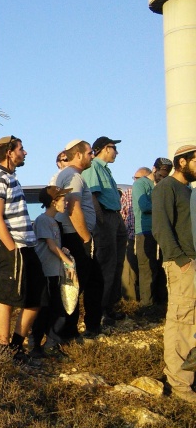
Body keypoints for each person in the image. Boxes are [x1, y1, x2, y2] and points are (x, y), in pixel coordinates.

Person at [0, 135, 45, 361]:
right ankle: (4, 347)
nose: (25, 152)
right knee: (7, 297)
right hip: (12, 247)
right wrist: (12, 249)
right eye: (21, 149)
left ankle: (16, 345)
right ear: (10, 153)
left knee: (36, 298)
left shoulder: (12, 178)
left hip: (27, 246)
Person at [151, 144, 196, 403]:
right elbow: (161, 227)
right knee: (181, 324)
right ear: (182, 162)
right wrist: (181, 261)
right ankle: (180, 386)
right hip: (183, 266)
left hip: (192, 262)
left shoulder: (187, 190)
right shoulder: (167, 187)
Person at [52, 139, 101, 339]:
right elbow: (72, 206)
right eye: (89, 153)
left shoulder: (66, 174)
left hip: (70, 236)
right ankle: (67, 333)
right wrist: (86, 238)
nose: (92, 156)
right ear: (78, 155)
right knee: (77, 285)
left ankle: (67, 331)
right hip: (75, 237)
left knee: (75, 284)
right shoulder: (73, 176)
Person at [82, 136, 128, 326]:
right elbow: (93, 196)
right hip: (105, 218)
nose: (116, 152)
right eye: (113, 148)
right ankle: (100, 311)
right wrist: (100, 221)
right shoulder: (93, 167)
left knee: (116, 264)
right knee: (106, 265)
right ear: (102, 149)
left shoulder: (105, 170)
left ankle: (109, 307)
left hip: (114, 217)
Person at [30, 185, 75, 358]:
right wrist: (68, 263)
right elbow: (50, 245)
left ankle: (51, 343)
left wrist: (63, 252)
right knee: (44, 309)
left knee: (57, 309)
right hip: (46, 272)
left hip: (55, 272)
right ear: (53, 202)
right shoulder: (43, 220)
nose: (66, 202)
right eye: (63, 199)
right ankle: (35, 344)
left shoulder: (55, 222)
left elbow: (55, 245)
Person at [133, 158, 172, 309]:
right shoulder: (140, 184)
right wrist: (163, 206)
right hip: (144, 230)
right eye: (161, 175)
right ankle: (146, 305)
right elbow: (144, 206)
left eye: (165, 176)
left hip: (161, 229)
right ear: (154, 169)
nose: (162, 179)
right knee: (147, 268)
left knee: (163, 266)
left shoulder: (162, 185)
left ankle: (161, 301)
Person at [120, 171, 140, 302]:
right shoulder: (127, 192)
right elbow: (122, 214)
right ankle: (131, 303)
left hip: (140, 236)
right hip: (131, 237)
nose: (136, 181)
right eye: (135, 178)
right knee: (129, 274)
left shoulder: (129, 192)